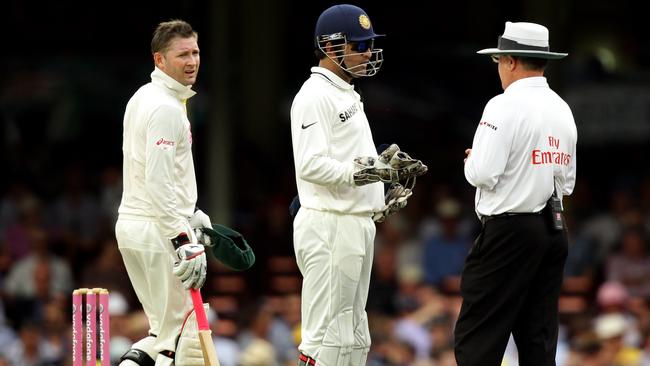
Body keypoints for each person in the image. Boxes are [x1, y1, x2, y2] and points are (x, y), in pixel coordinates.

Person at [290, 4, 426, 366]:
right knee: (327, 336)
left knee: (353, 336)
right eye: (360, 45)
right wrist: (373, 171)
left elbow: (344, 162)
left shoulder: (344, 92)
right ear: (333, 47)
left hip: (353, 223)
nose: (368, 53)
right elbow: (310, 165)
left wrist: (380, 199)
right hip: (330, 224)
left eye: (368, 45)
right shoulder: (314, 95)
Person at [456, 21, 577, 365]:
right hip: (554, 228)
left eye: (499, 61)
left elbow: (482, 172)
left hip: (510, 230)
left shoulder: (503, 105)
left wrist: (473, 159)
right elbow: (567, 182)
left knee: (477, 338)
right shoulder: (562, 109)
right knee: (537, 338)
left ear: (510, 60)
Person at [115, 19, 214, 366]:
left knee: (163, 332)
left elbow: (158, 174)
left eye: (195, 52)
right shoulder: (166, 107)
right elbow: (158, 182)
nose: (192, 61)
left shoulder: (144, 96)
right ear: (160, 60)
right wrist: (180, 238)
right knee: (185, 336)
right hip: (157, 230)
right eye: (182, 55)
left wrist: (192, 213)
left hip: (135, 226)